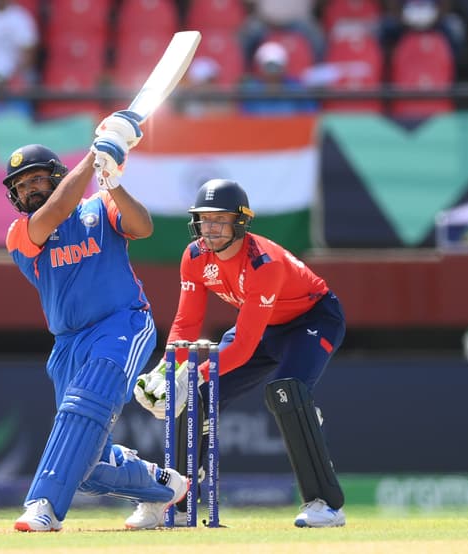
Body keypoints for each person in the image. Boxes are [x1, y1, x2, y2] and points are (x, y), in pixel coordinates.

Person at [4, 110, 187, 532]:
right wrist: (95, 156)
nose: (30, 189)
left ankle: (44, 505)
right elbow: (56, 211)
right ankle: (165, 488)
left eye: (36, 179)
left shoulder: (99, 207)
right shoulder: (21, 233)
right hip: (68, 343)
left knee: (82, 406)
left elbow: (142, 227)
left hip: (122, 323)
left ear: (55, 175)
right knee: (88, 466)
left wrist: (113, 181)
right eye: (21, 185)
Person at [134, 178, 347, 528]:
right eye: (205, 219)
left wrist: (195, 373)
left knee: (287, 392)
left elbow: (245, 347)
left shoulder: (264, 263)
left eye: (221, 219)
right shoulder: (194, 257)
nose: (211, 228)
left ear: (240, 222)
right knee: (196, 397)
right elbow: (186, 325)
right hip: (262, 323)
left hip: (312, 319)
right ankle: (175, 502)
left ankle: (326, 505)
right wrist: (165, 372)